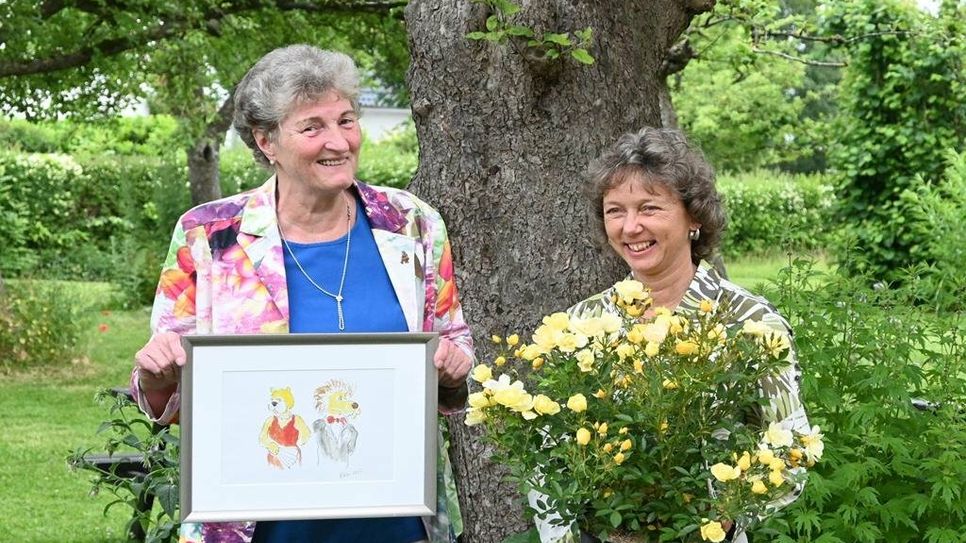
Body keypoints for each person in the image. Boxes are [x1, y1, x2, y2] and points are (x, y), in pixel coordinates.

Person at [131, 44, 474, 543]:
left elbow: (452, 352)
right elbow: (172, 395)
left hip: (398, 519)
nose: (339, 141)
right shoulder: (208, 234)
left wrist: (453, 367)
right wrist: (157, 375)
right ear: (265, 140)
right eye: (312, 127)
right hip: (255, 526)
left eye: (347, 120)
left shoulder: (411, 223)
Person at [532, 127, 810, 543]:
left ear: (694, 216)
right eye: (615, 211)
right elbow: (547, 457)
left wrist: (725, 512)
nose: (630, 227)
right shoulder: (581, 321)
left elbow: (792, 448)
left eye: (649, 208)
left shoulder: (749, 321)